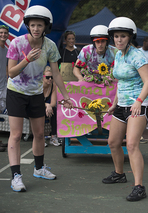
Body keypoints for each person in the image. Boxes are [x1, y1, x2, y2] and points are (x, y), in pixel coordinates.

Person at [6, 5, 73, 192]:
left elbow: (57, 75)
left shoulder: (50, 46)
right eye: (33, 25)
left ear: (46, 27)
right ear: (28, 25)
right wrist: (26, 59)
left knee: (40, 134)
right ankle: (16, 176)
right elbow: (11, 73)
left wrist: (65, 97)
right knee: (17, 135)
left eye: (40, 25)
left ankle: (39, 168)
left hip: (36, 94)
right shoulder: (17, 43)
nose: (36, 28)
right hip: (16, 93)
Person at [102, 17, 148, 202]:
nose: (119, 39)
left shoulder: (137, 55)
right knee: (113, 142)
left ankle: (139, 187)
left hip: (138, 106)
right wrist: (115, 103)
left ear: (130, 37)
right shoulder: (118, 54)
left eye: (123, 36)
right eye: (116, 36)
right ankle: (119, 174)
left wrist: (138, 101)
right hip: (121, 105)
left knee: (131, 144)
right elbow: (120, 82)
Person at [43, 66, 60, 147]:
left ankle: (53, 136)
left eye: (51, 77)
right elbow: (36, 101)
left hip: (45, 108)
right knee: (40, 110)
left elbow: (53, 102)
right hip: (33, 107)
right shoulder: (38, 86)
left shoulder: (53, 85)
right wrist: (47, 105)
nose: (50, 79)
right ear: (42, 77)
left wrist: (49, 106)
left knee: (55, 110)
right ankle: (39, 138)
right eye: (47, 77)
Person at [0, 24, 9, 152]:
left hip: (3, 87)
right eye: (1, 33)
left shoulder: (7, 50)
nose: (3, 35)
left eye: (5, 33)